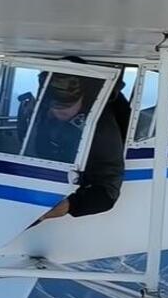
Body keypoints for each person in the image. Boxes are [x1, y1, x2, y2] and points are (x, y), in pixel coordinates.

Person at [31, 73, 125, 220]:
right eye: (54, 105)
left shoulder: (101, 129)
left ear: (84, 98)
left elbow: (108, 192)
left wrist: (70, 205)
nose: (58, 112)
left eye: (67, 106)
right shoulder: (44, 109)